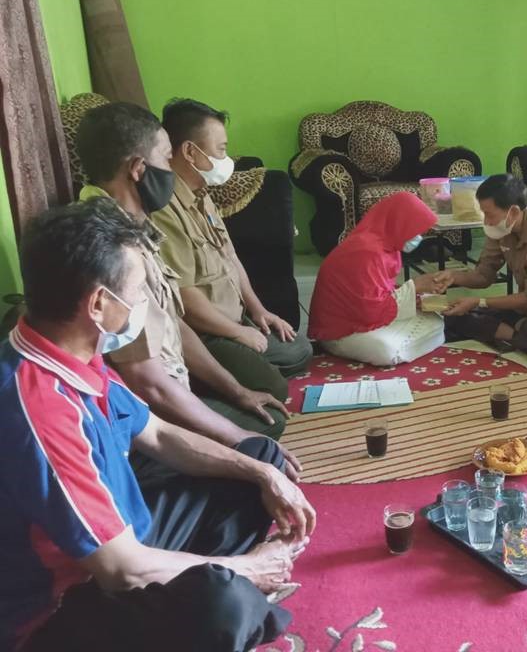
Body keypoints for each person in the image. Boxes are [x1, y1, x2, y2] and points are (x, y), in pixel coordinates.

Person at [2, 202, 316, 652]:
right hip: (63, 606)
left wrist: (262, 472)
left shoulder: (70, 354)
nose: (142, 304)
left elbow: (159, 434)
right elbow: (122, 569)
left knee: (257, 455)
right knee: (224, 604)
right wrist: (249, 568)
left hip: (118, 541)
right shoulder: (39, 409)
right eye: (137, 292)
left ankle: (217, 585)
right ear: (98, 304)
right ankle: (230, 591)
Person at [75, 105, 299, 478]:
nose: (172, 171)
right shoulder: (111, 250)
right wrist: (236, 438)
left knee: (261, 404)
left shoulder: (133, 228)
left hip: (174, 384)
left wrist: (237, 391)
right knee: (263, 437)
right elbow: (148, 384)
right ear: (138, 169)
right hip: (152, 423)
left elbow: (173, 323)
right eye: (166, 159)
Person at [151, 98, 312, 380]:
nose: (226, 160)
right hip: (206, 332)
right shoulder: (164, 210)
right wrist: (237, 332)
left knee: (299, 348)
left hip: (236, 318)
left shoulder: (202, 195)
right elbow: (185, 295)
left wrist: (259, 311)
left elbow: (230, 256)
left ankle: (244, 369)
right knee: (273, 384)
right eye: (221, 149)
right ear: (190, 151)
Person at [436, 174, 527, 359]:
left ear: (513, 212)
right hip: (522, 310)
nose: (486, 221)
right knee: (451, 315)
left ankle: (505, 332)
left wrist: (479, 302)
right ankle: (515, 330)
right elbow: (483, 275)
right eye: (483, 214)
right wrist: (453, 276)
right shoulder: (501, 228)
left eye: (489, 214)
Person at [308, 192, 445, 365]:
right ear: (398, 223)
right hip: (340, 331)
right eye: (414, 231)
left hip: (361, 317)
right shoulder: (368, 251)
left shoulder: (385, 246)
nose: (418, 238)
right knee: (386, 350)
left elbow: (379, 291)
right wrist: (415, 287)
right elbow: (370, 311)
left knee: (436, 319)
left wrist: (419, 297)